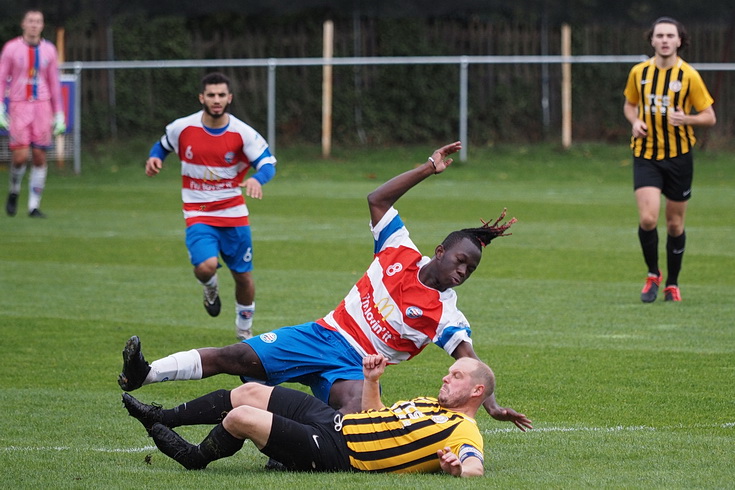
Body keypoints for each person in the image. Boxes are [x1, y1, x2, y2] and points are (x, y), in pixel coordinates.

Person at [119, 141, 532, 431]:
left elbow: (468, 360)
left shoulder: (446, 314)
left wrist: (490, 404)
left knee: (354, 419)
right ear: (440, 251)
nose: (463, 272)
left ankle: (284, 446)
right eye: (461, 260)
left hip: (356, 367)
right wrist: (428, 167)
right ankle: (147, 373)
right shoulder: (399, 250)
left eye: (470, 270)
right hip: (324, 334)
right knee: (236, 356)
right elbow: (377, 199)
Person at [122, 354, 493, 476]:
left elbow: (475, 465)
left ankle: (193, 458)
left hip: (339, 453)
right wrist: (372, 379)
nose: (446, 377)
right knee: (249, 391)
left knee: (241, 418)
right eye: (449, 371)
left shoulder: (463, 430)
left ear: (477, 391)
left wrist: (458, 468)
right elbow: (375, 415)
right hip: (336, 422)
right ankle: (163, 417)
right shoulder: (429, 402)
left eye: (456, 376)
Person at [145, 72, 276, 339]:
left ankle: (244, 331)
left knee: (243, 278)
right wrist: (154, 159)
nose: (216, 100)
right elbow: (162, 146)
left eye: (221, 95)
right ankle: (210, 286)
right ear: (202, 97)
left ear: (229, 98)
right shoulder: (182, 127)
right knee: (205, 266)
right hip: (198, 212)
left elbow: (268, 163)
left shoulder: (242, 132)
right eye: (211, 95)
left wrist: (257, 179)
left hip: (234, 213)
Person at [623, 17, 716, 303]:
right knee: (648, 218)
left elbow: (710, 116)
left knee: (675, 225)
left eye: (670, 36)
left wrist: (686, 118)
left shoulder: (688, 75)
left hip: (679, 157)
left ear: (679, 41)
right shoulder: (639, 72)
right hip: (646, 154)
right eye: (659, 35)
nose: (664, 40)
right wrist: (635, 121)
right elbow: (630, 105)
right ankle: (653, 274)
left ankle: (672, 284)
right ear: (651, 40)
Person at [0, 9, 66, 218]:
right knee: (20, 157)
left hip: (42, 106)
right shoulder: (11, 48)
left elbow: (54, 82)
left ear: (42, 25)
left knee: (39, 156)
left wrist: (59, 113)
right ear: (23, 24)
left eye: (38, 21)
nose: (34, 25)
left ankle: (33, 206)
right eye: (30, 21)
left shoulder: (49, 50)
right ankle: (14, 191)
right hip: (19, 105)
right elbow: (2, 78)